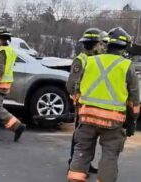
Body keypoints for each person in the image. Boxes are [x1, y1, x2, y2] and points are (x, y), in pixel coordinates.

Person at [67, 27, 140, 182]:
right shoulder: (127, 66)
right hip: (113, 121)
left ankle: (74, 179)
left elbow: (76, 89)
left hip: (87, 117)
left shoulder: (90, 61)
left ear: (107, 45)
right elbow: (134, 100)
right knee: (109, 155)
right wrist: (132, 120)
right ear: (125, 47)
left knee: (82, 150)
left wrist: (79, 108)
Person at [66, 28, 108, 174]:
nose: (102, 47)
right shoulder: (81, 60)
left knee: (89, 137)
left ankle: (85, 163)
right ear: (95, 45)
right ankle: (73, 163)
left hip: (91, 105)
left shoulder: (97, 60)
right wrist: (78, 99)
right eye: (100, 44)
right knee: (79, 137)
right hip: (82, 105)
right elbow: (71, 85)